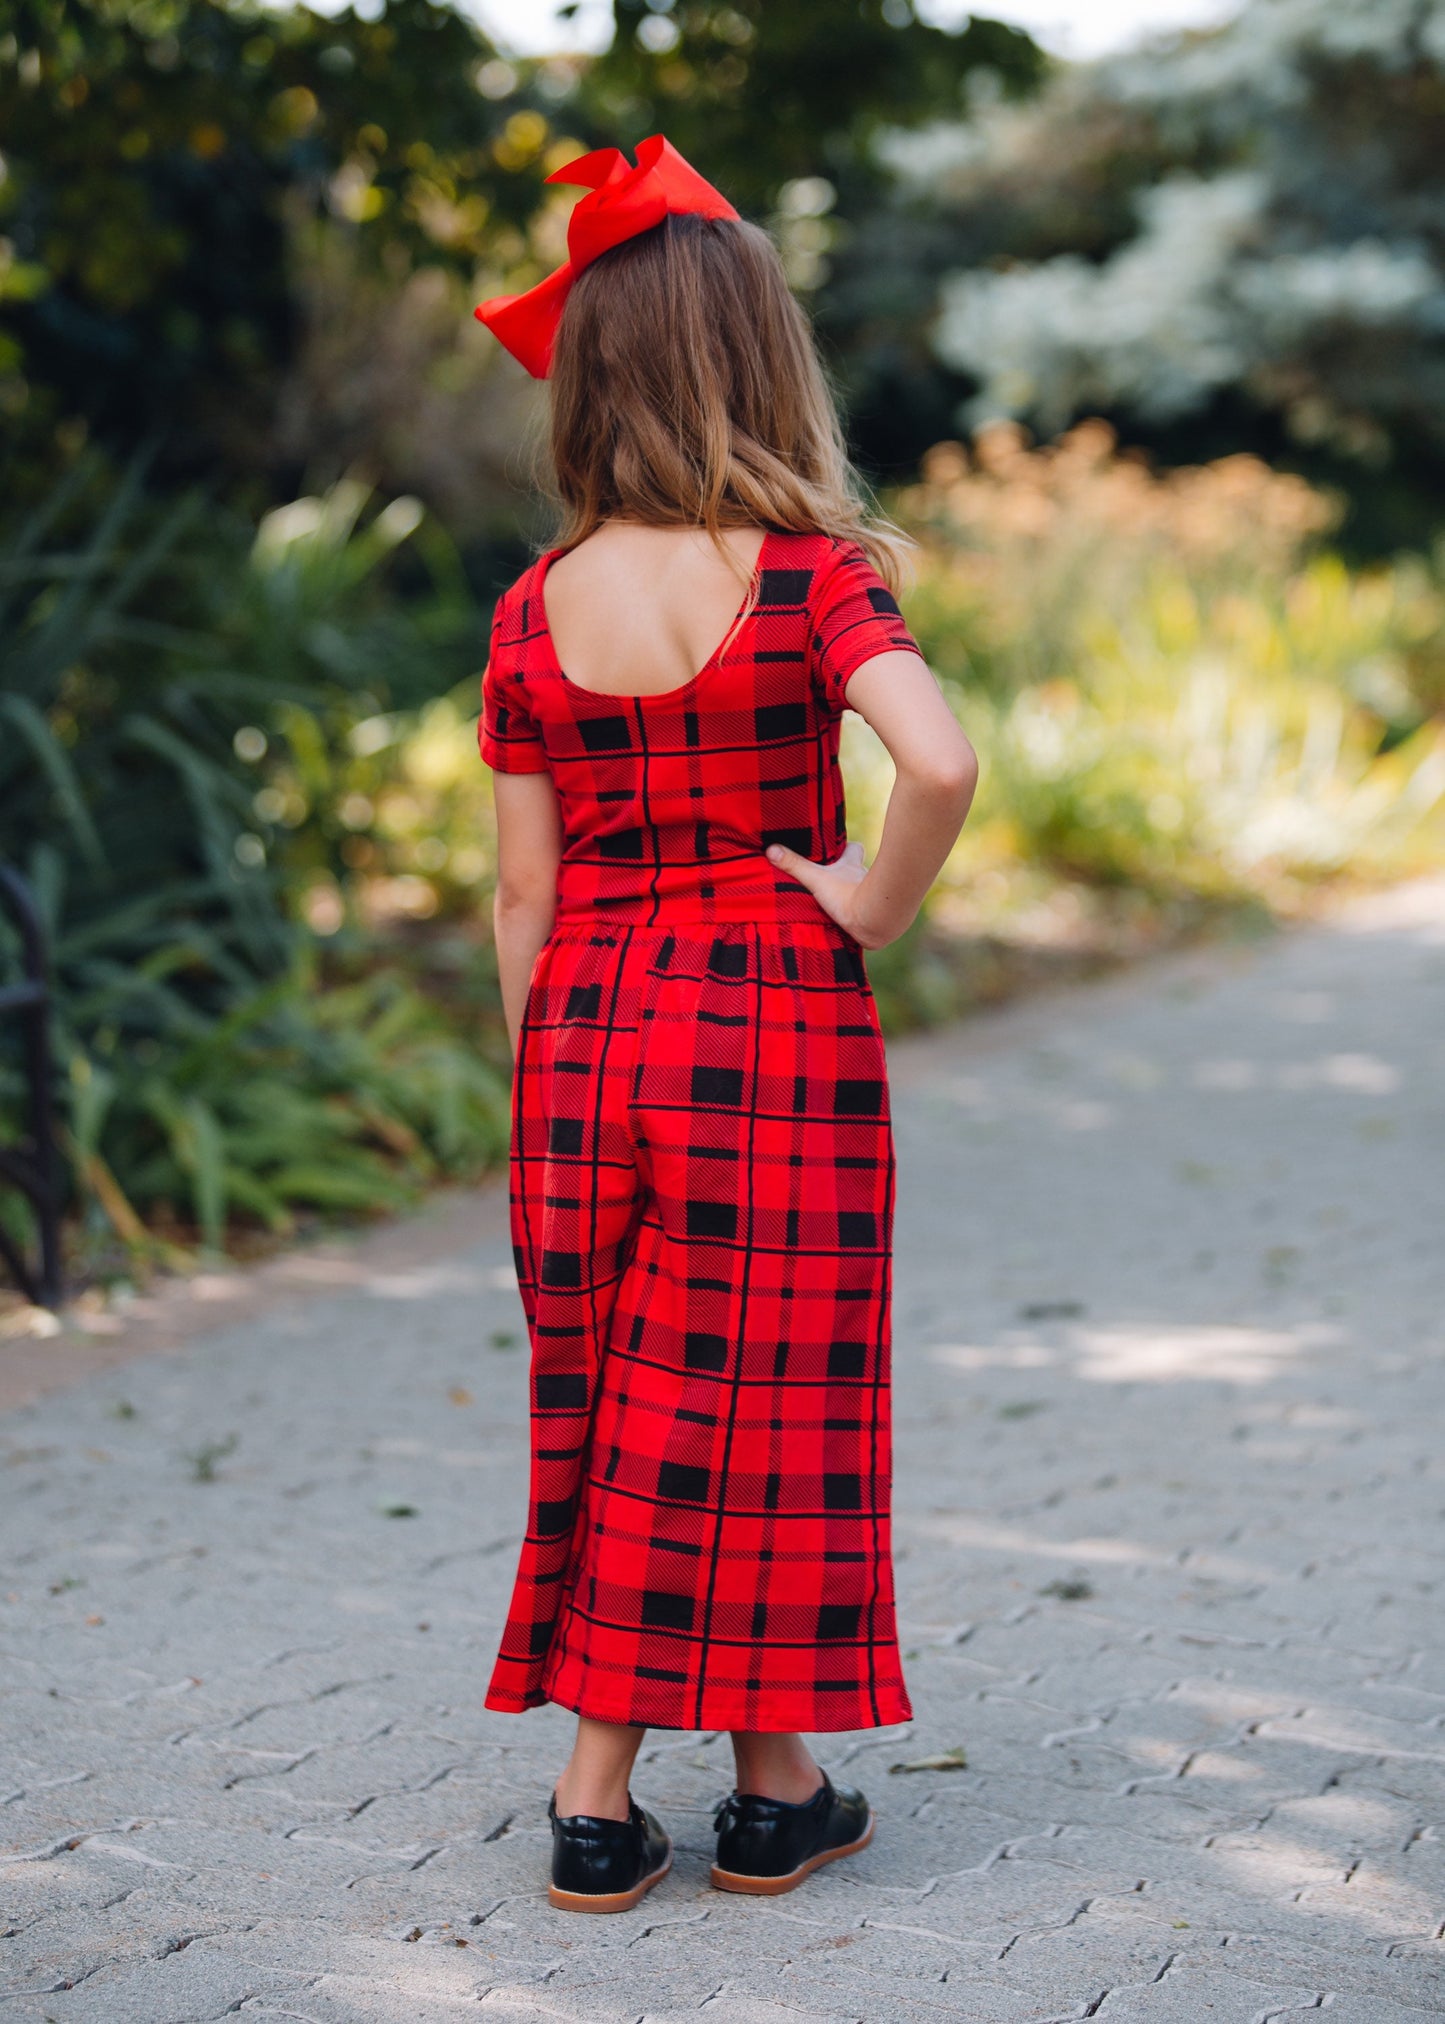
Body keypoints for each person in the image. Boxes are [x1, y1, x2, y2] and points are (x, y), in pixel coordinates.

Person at [473, 135, 977, 1915]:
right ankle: (595, 1790)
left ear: (592, 372)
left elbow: (522, 897)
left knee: (622, 1397)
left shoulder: (530, 613)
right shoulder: (811, 573)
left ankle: (777, 1792)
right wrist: (865, 903)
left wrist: (543, 1083)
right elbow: (937, 759)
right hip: (766, 1024)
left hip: (589, 1031)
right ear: (759, 355)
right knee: (762, 1401)